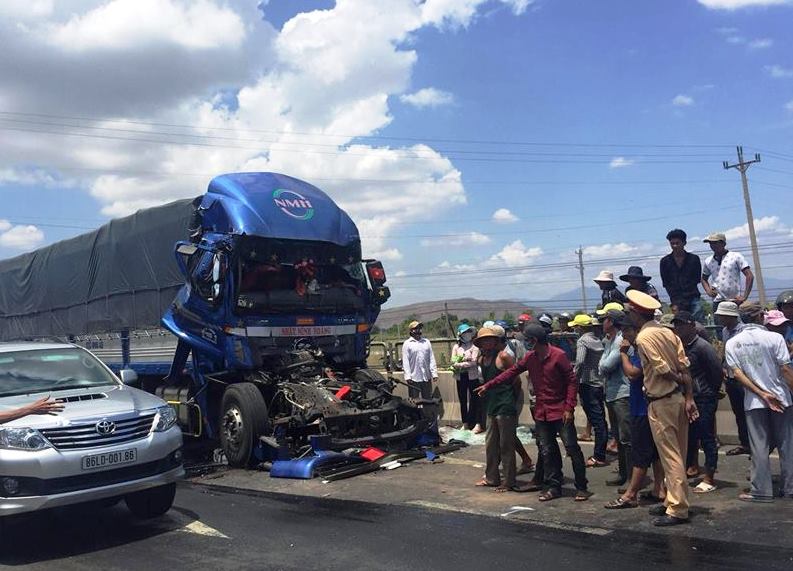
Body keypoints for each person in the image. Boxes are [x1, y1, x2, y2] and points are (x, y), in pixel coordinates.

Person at [476, 324, 590, 502]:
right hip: (542, 411)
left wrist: (569, 408)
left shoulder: (558, 356)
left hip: (560, 411)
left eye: (527, 340)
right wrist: (488, 385)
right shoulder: (531, 358)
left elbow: (572, 382)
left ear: (535, 340)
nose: (525, 343)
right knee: (547, 450)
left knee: (572, 448)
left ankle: (582, 487)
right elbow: (510, 373)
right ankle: (554, 487)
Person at [627, 289, 698, 526]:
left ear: (637, 314)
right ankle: (671, 499)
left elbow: (661, 369)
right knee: (679, 450)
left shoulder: (644, 339)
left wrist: (679, 381)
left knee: (671, 456)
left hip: (661, 401)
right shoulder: (669, 333)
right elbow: (684, 365)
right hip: (677, 399)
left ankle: (677, 508)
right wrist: (688, 395)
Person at [725, 301, 793, 502]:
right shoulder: (775, 338)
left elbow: (738, 375)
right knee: (787, 445)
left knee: (759, 447)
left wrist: (761, 394)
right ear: (761, 316)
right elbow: (785, 369)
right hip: (781, 398)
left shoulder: (733, 343)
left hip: (754, 402)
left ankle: (761, 491)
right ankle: (790, 488)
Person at [604, 320, 667, 509]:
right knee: (655, 453)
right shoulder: (640, 349)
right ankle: (659, 488)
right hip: (644, 405)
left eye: (627, 331)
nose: (624, 337)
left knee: (640, 452)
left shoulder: (641, 350)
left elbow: (632, 373)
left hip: (642, 408)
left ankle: (631, 494)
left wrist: (622, 353)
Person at [672, 311, 723, 493]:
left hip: (704, 397)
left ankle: (709, 477)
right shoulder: (680, 347)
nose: (678, 328)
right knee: (690, 436)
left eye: (682, 324)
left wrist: (710, 392)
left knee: (707, 436)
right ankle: (691, 467)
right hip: (687, 397)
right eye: (676, 325)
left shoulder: (702, 347)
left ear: (692, 325)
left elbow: (716, 371)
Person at [472, 326, 523, 492]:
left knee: (506, 444)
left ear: (495, 341)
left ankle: (509, 481)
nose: (487, 342)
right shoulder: (481, 359)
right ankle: (492, 477)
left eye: (490, 339)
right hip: (491, 405)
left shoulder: (504, 357)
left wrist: (511, 400)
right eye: (483, 340)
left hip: (505, 405)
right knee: (491, 444)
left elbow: (516, 381)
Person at [599, 308, 633, 487]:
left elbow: (606, 366)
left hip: (622, 393)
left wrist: (603, 364)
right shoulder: (609, 341)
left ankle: (632, 477)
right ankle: (623, 473)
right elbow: (602, 364)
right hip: (612, 393)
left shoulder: (620, 340)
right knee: (619, 437)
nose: (601, 322)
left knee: (626, 437)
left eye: (604, 318)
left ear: (611, 321)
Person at [569, 314, 608, 468]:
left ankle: (599, 455)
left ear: (580, 327)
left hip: (587, 383)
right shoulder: (598, 340)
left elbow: (579, 361)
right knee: (600, 419)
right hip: (599, 383)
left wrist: (573, 379)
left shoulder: (583, 341)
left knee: (597, 421)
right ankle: (601, 451)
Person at [714, 301, 751, 456]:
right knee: (739, 413)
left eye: (723, 316)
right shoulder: (725, 331)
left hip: (744, 377)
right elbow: (726, 350)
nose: (720, 319)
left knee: (749, 413)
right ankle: (745, 444)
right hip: (730, 377)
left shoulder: (744, 331)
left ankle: (755, 446)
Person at [659, 228, 704, 323]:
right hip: (676, 300)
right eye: (672, 243)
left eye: (677, 243)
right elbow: (666, 284)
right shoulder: (665, 262)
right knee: (680, 325)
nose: (675, 246)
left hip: (693, 297)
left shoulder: (694, 259)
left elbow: (696, 279)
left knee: (698, 324)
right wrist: (674, 302)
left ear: (684, 243)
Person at [701, 233, 754, 311]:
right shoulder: (708, 261)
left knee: (735, 322)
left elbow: (749, 275)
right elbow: (703, 279)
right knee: (719, 323)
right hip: (717, 301)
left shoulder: (735, 256)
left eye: (715, 243)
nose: (713, 245)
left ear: (723, 243)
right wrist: (708, 291)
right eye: (711, 243)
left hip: (734, 300)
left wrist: (744, 296)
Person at [451, 323, 480, 430]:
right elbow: (453, 361)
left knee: (474, 399)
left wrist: (461, 364)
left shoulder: (474, 347)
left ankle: (476, 422)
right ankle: (465, 422)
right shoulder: (456, 347)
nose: (467, 334)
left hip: (472, 376)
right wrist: (464, 363)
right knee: (462, 399)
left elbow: (474, 362)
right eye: (465, 332)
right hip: (461, 376)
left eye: (468, 332)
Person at [402, 320, 437, 399]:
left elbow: (431, 358)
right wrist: (408, 376)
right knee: (414, 400)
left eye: (419, 328)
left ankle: (427, 411)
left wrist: (434, 373)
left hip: (426, 376)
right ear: (411, 330)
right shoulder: (407, 344)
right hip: (414, 377)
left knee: (427, 399)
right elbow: (406, 361)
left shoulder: (426, 342)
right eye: (416, 328)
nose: (418, 330)